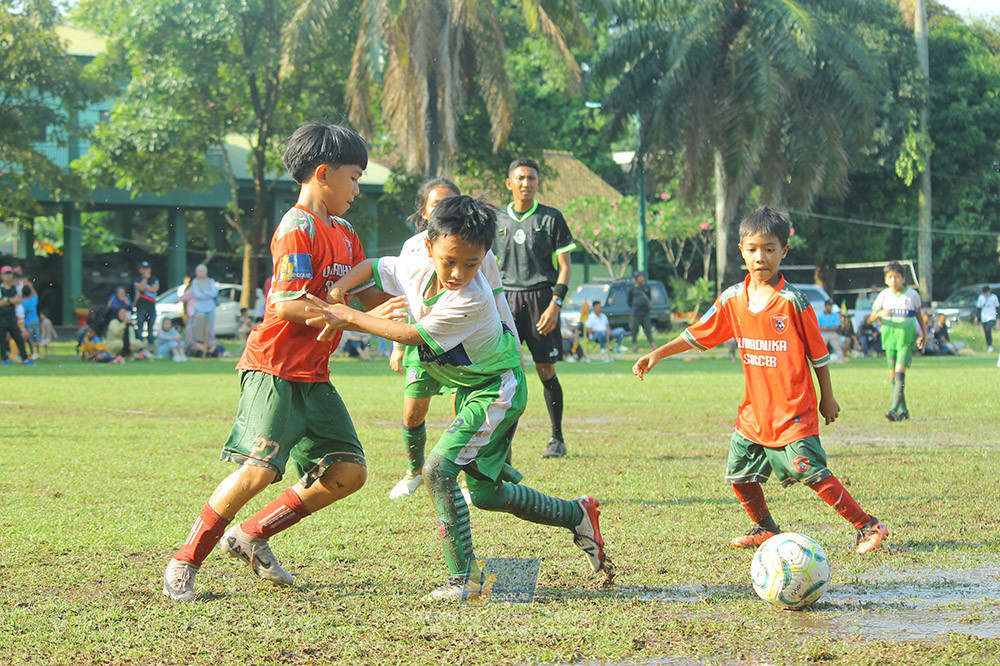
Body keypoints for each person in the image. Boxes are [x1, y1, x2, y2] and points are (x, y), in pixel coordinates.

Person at [303, 195, 613, 600]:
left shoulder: (471, 298)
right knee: (486, 495)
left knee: (437, 469)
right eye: (449, 261)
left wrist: (348, 315)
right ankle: (578, 514)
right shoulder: (414, 265)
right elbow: (374, 267)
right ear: (429, 246)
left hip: (496, 388)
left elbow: (412, 336)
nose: (457, 273)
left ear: (484, 256)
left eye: (471, 264)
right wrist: (339, 291)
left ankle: (464, 579)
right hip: (470, 386)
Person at [161, 121, 390, 602]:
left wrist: (420, 297)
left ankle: (250, 534)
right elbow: (286, 303)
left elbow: (368, 295)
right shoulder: (296, 226)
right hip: (273, 368)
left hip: (313, 375)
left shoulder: (346, 233)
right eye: (354, 175)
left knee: (348, 472)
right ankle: (185, 559)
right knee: (259, 470)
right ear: (324, 174)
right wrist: (358, 319)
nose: (357, 187)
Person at [632, 206, 888, 555]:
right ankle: (765, 528)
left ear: (784, 251)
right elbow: (698, 334)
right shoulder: (732, 298)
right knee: (740, 475)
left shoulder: (793, 302)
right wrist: (658, 353)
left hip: (793, 410)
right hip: (755, 411)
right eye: (752, 249)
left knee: (809, 471)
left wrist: (827, 398)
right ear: (741, 251)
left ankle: (867, 525)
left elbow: (819, 356)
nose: (761, 257)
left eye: (769, 249)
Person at [385, 177, 519, 500]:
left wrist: (513, 343)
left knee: (478, 409)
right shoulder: (413, 250)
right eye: (437, 206)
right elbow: (401, 300)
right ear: (425, 213)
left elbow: (498, 300)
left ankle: (482, 476)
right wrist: (398, 346)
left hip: (465, 345)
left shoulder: (480, 251)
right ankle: (413, 472)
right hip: (422, 339)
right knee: (412, 412)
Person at [494, 157, 576, 458]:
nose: (526, 183)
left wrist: (555, 304)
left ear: (538, 183)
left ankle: (557, 438)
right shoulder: (496, 220)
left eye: (531, 178)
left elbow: (565, 267)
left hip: (542, 300)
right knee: (503, 371)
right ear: (509, 183)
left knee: (545, 369)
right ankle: (502, 442)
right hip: (506, 301)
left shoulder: (551, 218)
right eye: (520, 178)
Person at [868, 262, 927, 422]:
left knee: (900, 375)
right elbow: (870, 318)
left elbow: (919, 317)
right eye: (890, 277)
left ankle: (894, 409)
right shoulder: (884, 296)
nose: (894, 280)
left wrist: (924, 336)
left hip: (906, 341)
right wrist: (880, 313)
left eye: (897, 276)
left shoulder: (912, 295)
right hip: (889, 340)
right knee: (894, 377)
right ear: (886, 280)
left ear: (903, 278)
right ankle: (905, 409)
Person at [0, 266, 33, 366]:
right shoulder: (1, 288)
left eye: (10, 274)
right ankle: (4, 358)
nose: (8, 277)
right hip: (1, 317)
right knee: (2, 339)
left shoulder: (16, 288)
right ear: (2, 276)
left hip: (12, 317)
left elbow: (18, 300)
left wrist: (8, 300)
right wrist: (11, 300)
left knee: (18, 338)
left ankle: (25, 358)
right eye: (6, 274)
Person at [627, 272, 656, 353]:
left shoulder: (646, 288)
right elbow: (629, 301)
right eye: (640, 277)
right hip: (635, 313)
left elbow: (649, 299)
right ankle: (635, 347)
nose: (642, 279)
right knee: (634, 330)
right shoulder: (632, 290)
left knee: (648, 330)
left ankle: (654, 347)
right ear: (636, 279)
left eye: (642, 277)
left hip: (645, 313)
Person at [133, 261, 159, 344]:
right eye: (144, 269)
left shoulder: (154, 279)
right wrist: (145, 278)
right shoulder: (137, 280)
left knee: (151, 328)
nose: (146, 270)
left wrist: (144, 289)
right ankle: (140, 346)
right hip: (141, 307)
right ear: (140, 270)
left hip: (151, 306)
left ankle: (151, 346)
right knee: (140, 326)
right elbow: (140, 287)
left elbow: (155, 289)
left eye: (147, 268)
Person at [190, 264, 219, 335]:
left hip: (210, 306)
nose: (201, 273)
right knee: (199, 326)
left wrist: (204, 292)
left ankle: (211, 342)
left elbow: (214, 293)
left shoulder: (211, 281)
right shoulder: (195, 282)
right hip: (199, 307)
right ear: (196, 272)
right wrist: (209, 294)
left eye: (203, 271)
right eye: (200, 271)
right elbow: (197, 295)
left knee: (210, 327)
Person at [975, 285, 998, 353]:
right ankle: (989, 345)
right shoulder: (981, 297)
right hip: (984, 317)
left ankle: (990, 346)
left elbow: (997, 308)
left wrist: (998, 318)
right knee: (986, 332)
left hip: (991, 316)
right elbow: (978, 308)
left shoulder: (994, 297)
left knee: (988, 330)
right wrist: (977, 317)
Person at [21, 283, 41, 360]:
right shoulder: (34, 299)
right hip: (36, 320)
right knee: (37, 336)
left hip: (28, 322)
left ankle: (33, 353)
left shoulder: (24, 302)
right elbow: (35, 294)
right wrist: (31, 286)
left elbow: (24, 313)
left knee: (31, 338)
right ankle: (38, 352)